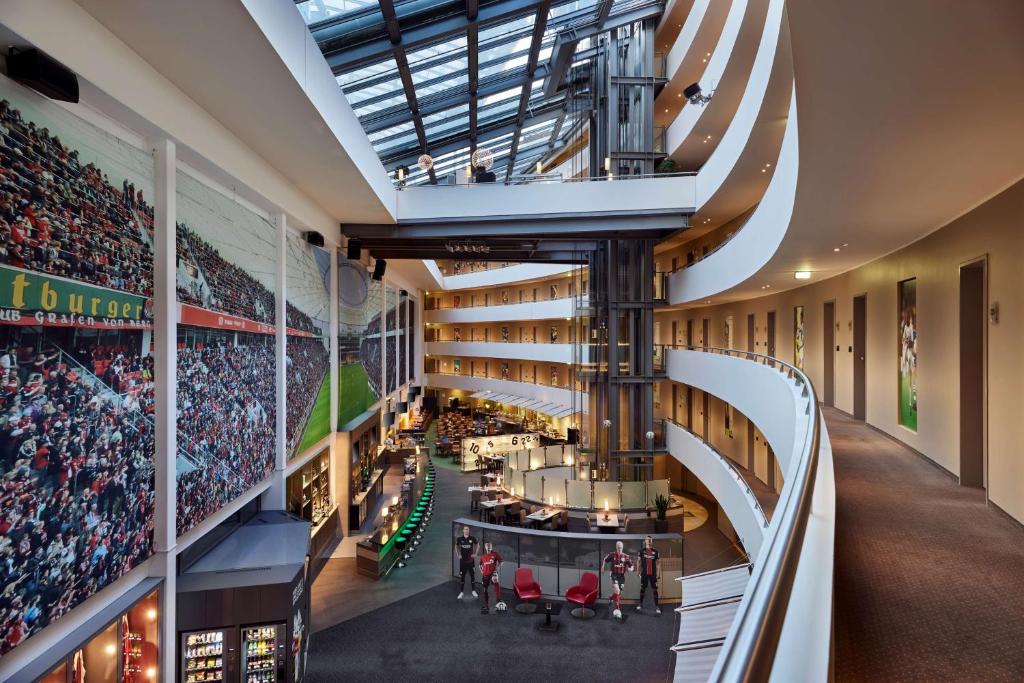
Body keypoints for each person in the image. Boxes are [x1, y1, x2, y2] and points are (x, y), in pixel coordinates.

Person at [602, 540, 634, 618]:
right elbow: (604, 560)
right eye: (618, 547)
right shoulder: (612, 555)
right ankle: (617, 610)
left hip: (622, 577)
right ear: (616, 547)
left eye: (621, 548)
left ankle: (611, 597)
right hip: (614, 575)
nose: (619, 549)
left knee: (619, 594)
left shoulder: (626, 556)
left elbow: (631, 566)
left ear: (622, 548)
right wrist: (602, 567)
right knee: (617, 590)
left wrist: (631, 569)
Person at [636, 536, 662, 614]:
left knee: (655, 590)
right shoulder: (641, 551)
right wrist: (638, 571)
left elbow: (658, 563)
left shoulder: (656, 552)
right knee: (642, 588)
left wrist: (658, 573)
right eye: (648, 539)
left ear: (651, 541)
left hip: (653, 574)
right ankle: (640, 604)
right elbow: (638, 561)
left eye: (650, 540)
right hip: (644, 573)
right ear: (645, 541)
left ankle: (657, 606)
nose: (649, 541)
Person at [454, 526, 479, 600]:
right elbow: (456, 546)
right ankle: (461, 592)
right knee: (462, 577)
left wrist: (476, 554)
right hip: (463, 562)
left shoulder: (472, 538)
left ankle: (473, 591)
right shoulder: (459, 539)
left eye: (467, 529)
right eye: (465, 529)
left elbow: (478, 545)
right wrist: (458, 554)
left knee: (472, 576)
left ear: (469, 530)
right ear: (463, 530)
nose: (466, 530)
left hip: (471, 561)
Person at [479, 541, 503, 613]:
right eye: (487, 546)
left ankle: (498, 598)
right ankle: (486, 605)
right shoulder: (483, 556)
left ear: (491, 547)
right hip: (485, 575)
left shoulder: (495, 554)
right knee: (485, 590)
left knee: (495, 579)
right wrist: (481, 571)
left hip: (493, 573)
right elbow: (479, 565)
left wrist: (497, 568)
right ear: (485, 547)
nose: (489, 547)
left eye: (490, 546)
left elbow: (501, 561)